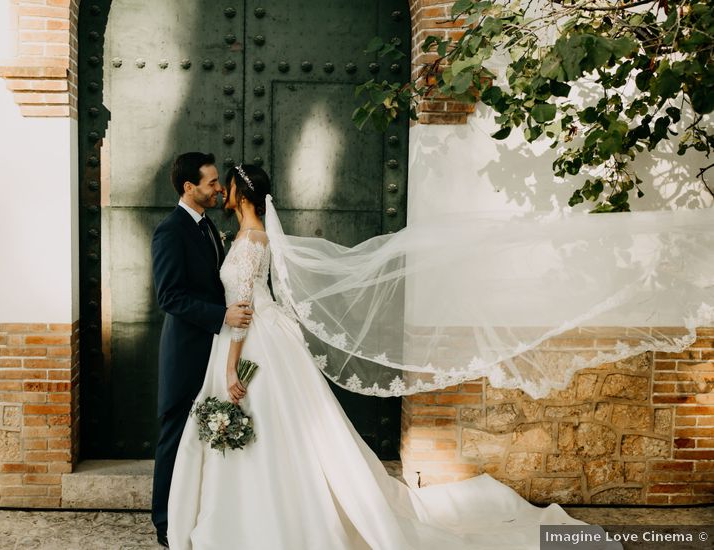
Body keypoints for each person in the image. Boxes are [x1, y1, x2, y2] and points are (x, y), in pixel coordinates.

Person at [165, 164, 589, 549]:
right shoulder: (249, 238)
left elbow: (242, 307)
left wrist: (229, 364)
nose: (223, 191)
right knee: (284, 428)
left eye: (229, 185)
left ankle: (259, 518)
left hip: (250, 339)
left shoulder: (249, 242)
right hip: (267, 337)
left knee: (264, 422)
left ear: (243, 194)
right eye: (217, 184)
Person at [150, 152, 254, 548]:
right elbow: (170, 296)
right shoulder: (170, 231)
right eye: (211, 183)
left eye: (218, 182)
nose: (219, 189)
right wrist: (222, 316)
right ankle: (164, 522)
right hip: (186, 349)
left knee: (196, 437)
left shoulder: (208, 225)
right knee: (174, 434)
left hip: (213, 347)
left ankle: (192, 511)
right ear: (188, 188)